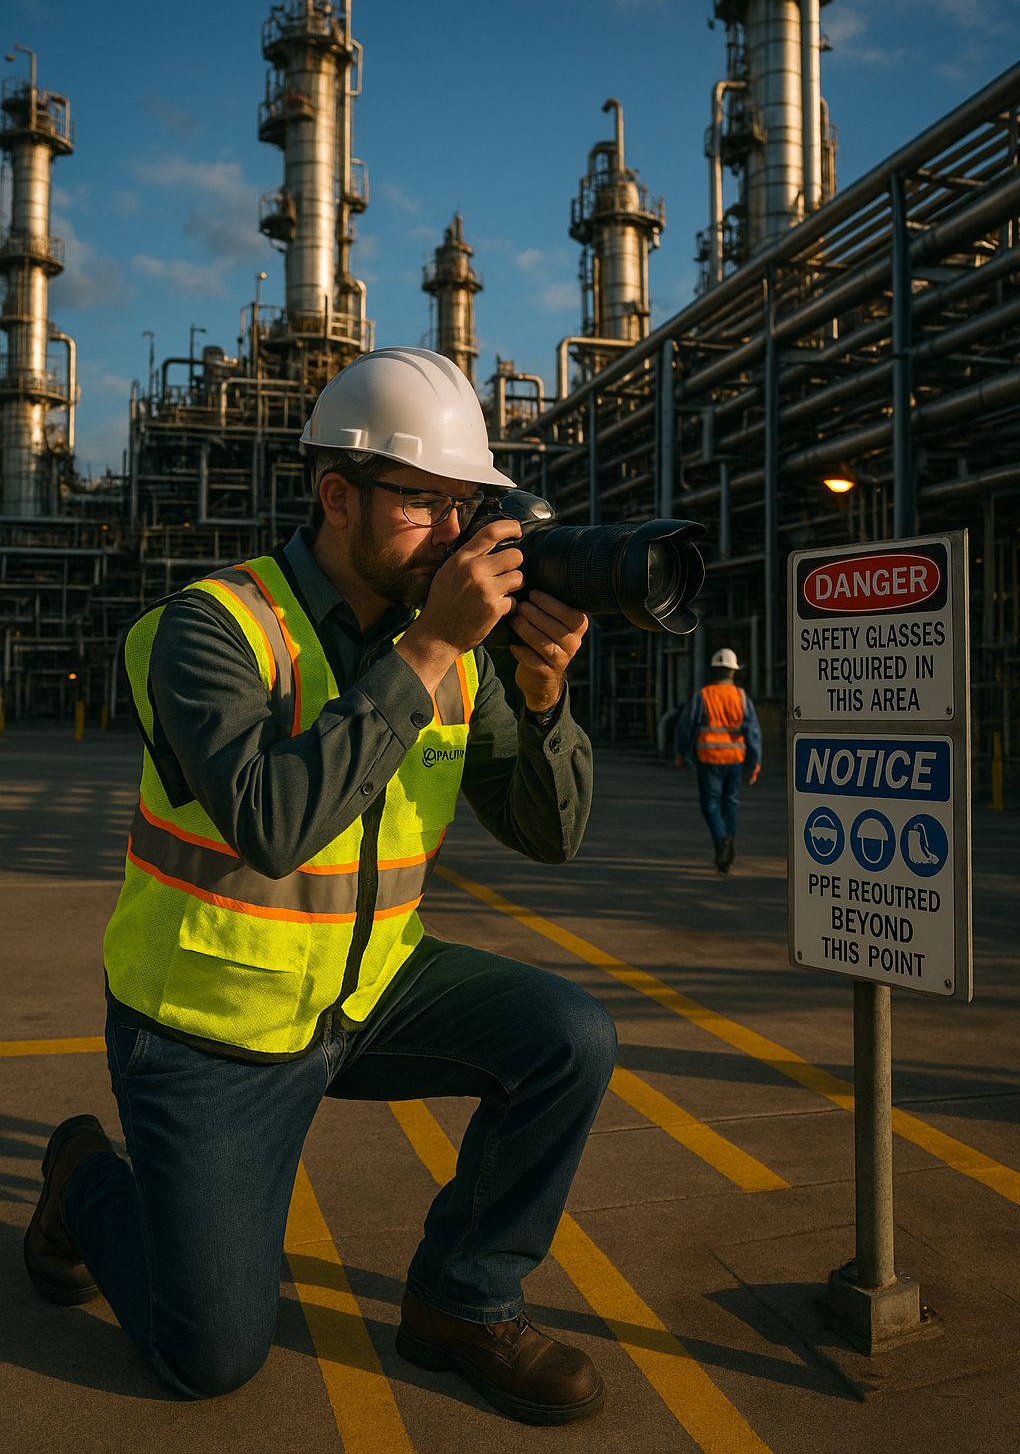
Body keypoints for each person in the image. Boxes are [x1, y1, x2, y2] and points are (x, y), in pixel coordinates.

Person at [23, 347, 616, 1427]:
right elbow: (271, 824)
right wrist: (433, 643)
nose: (454, 534)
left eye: (466, 506)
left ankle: (461, 1301)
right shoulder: (210, 629)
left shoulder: (459, 652)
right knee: (207, 1358)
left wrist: (539, 694)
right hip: (212, 1027)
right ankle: (82, 1179)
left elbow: (550, 834)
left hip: (370, 992)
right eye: (424, 503)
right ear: (338, 495)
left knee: (566, 1034)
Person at [675, 647, 761, 873]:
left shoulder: (703, 696)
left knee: (710, 805)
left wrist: (683, 754)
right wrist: (755, 763)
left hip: (709, 760)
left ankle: (723, 842)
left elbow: (686, 727)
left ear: (714, 670)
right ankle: (727, 849)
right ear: (733, 672)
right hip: (735, 759)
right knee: (730, 802)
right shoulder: (741, 697)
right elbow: (753, 733)